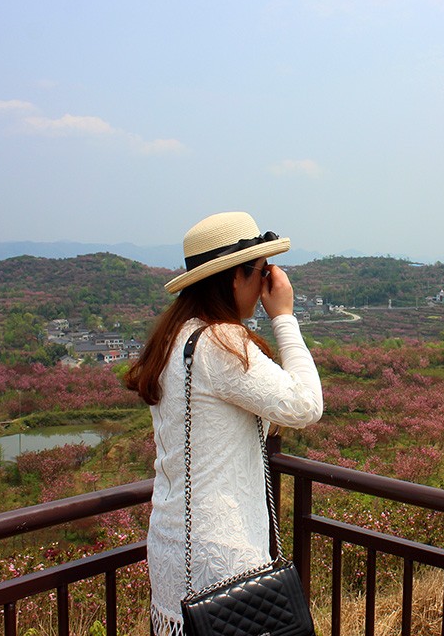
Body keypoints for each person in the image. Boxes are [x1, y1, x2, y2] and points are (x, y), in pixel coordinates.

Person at [124, 211, 324, 636]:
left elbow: (218, 425)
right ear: (236, 277)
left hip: (172, 547)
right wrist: (284, 315)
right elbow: (306, 405)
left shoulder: (176, 338)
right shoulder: (222, 341)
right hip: (222, 553)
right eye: (260, 272)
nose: (265, 283)